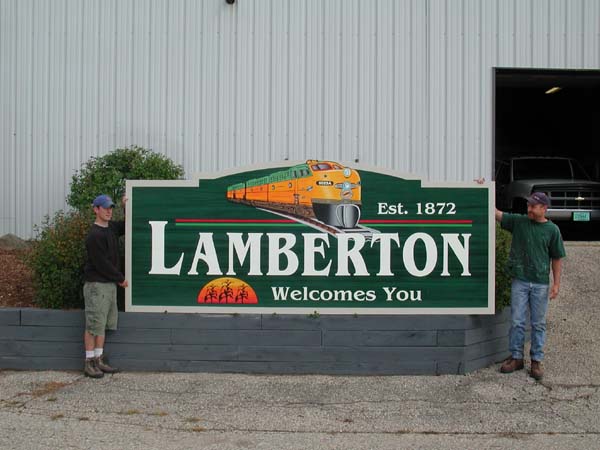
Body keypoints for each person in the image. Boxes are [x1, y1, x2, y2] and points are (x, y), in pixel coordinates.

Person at [495, 191, 566, 380]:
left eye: (533, 206)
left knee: (538, 324)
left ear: (544, 208)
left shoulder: (552, 231)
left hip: (540, 283)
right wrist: (484, 187)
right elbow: (495, 213)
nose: (529, 209)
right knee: (517, 321)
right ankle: (516, 358)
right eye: (528, 205)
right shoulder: (519, 222)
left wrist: (556, 284)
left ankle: (536, 360)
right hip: (520, 280)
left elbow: (557, 258)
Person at [82, 194, 128, 378]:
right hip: (96, 285)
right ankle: (89, 362)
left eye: (111, 208)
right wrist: (119, 278)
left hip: (108, 285)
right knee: (93, 324)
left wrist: (125, 207)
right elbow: (101, 263)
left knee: (103, 325)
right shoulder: (94, 236)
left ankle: (99, 359)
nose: (109, 211)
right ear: (96, 209)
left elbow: (126, 225)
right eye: (105, 208)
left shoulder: (111, 229)